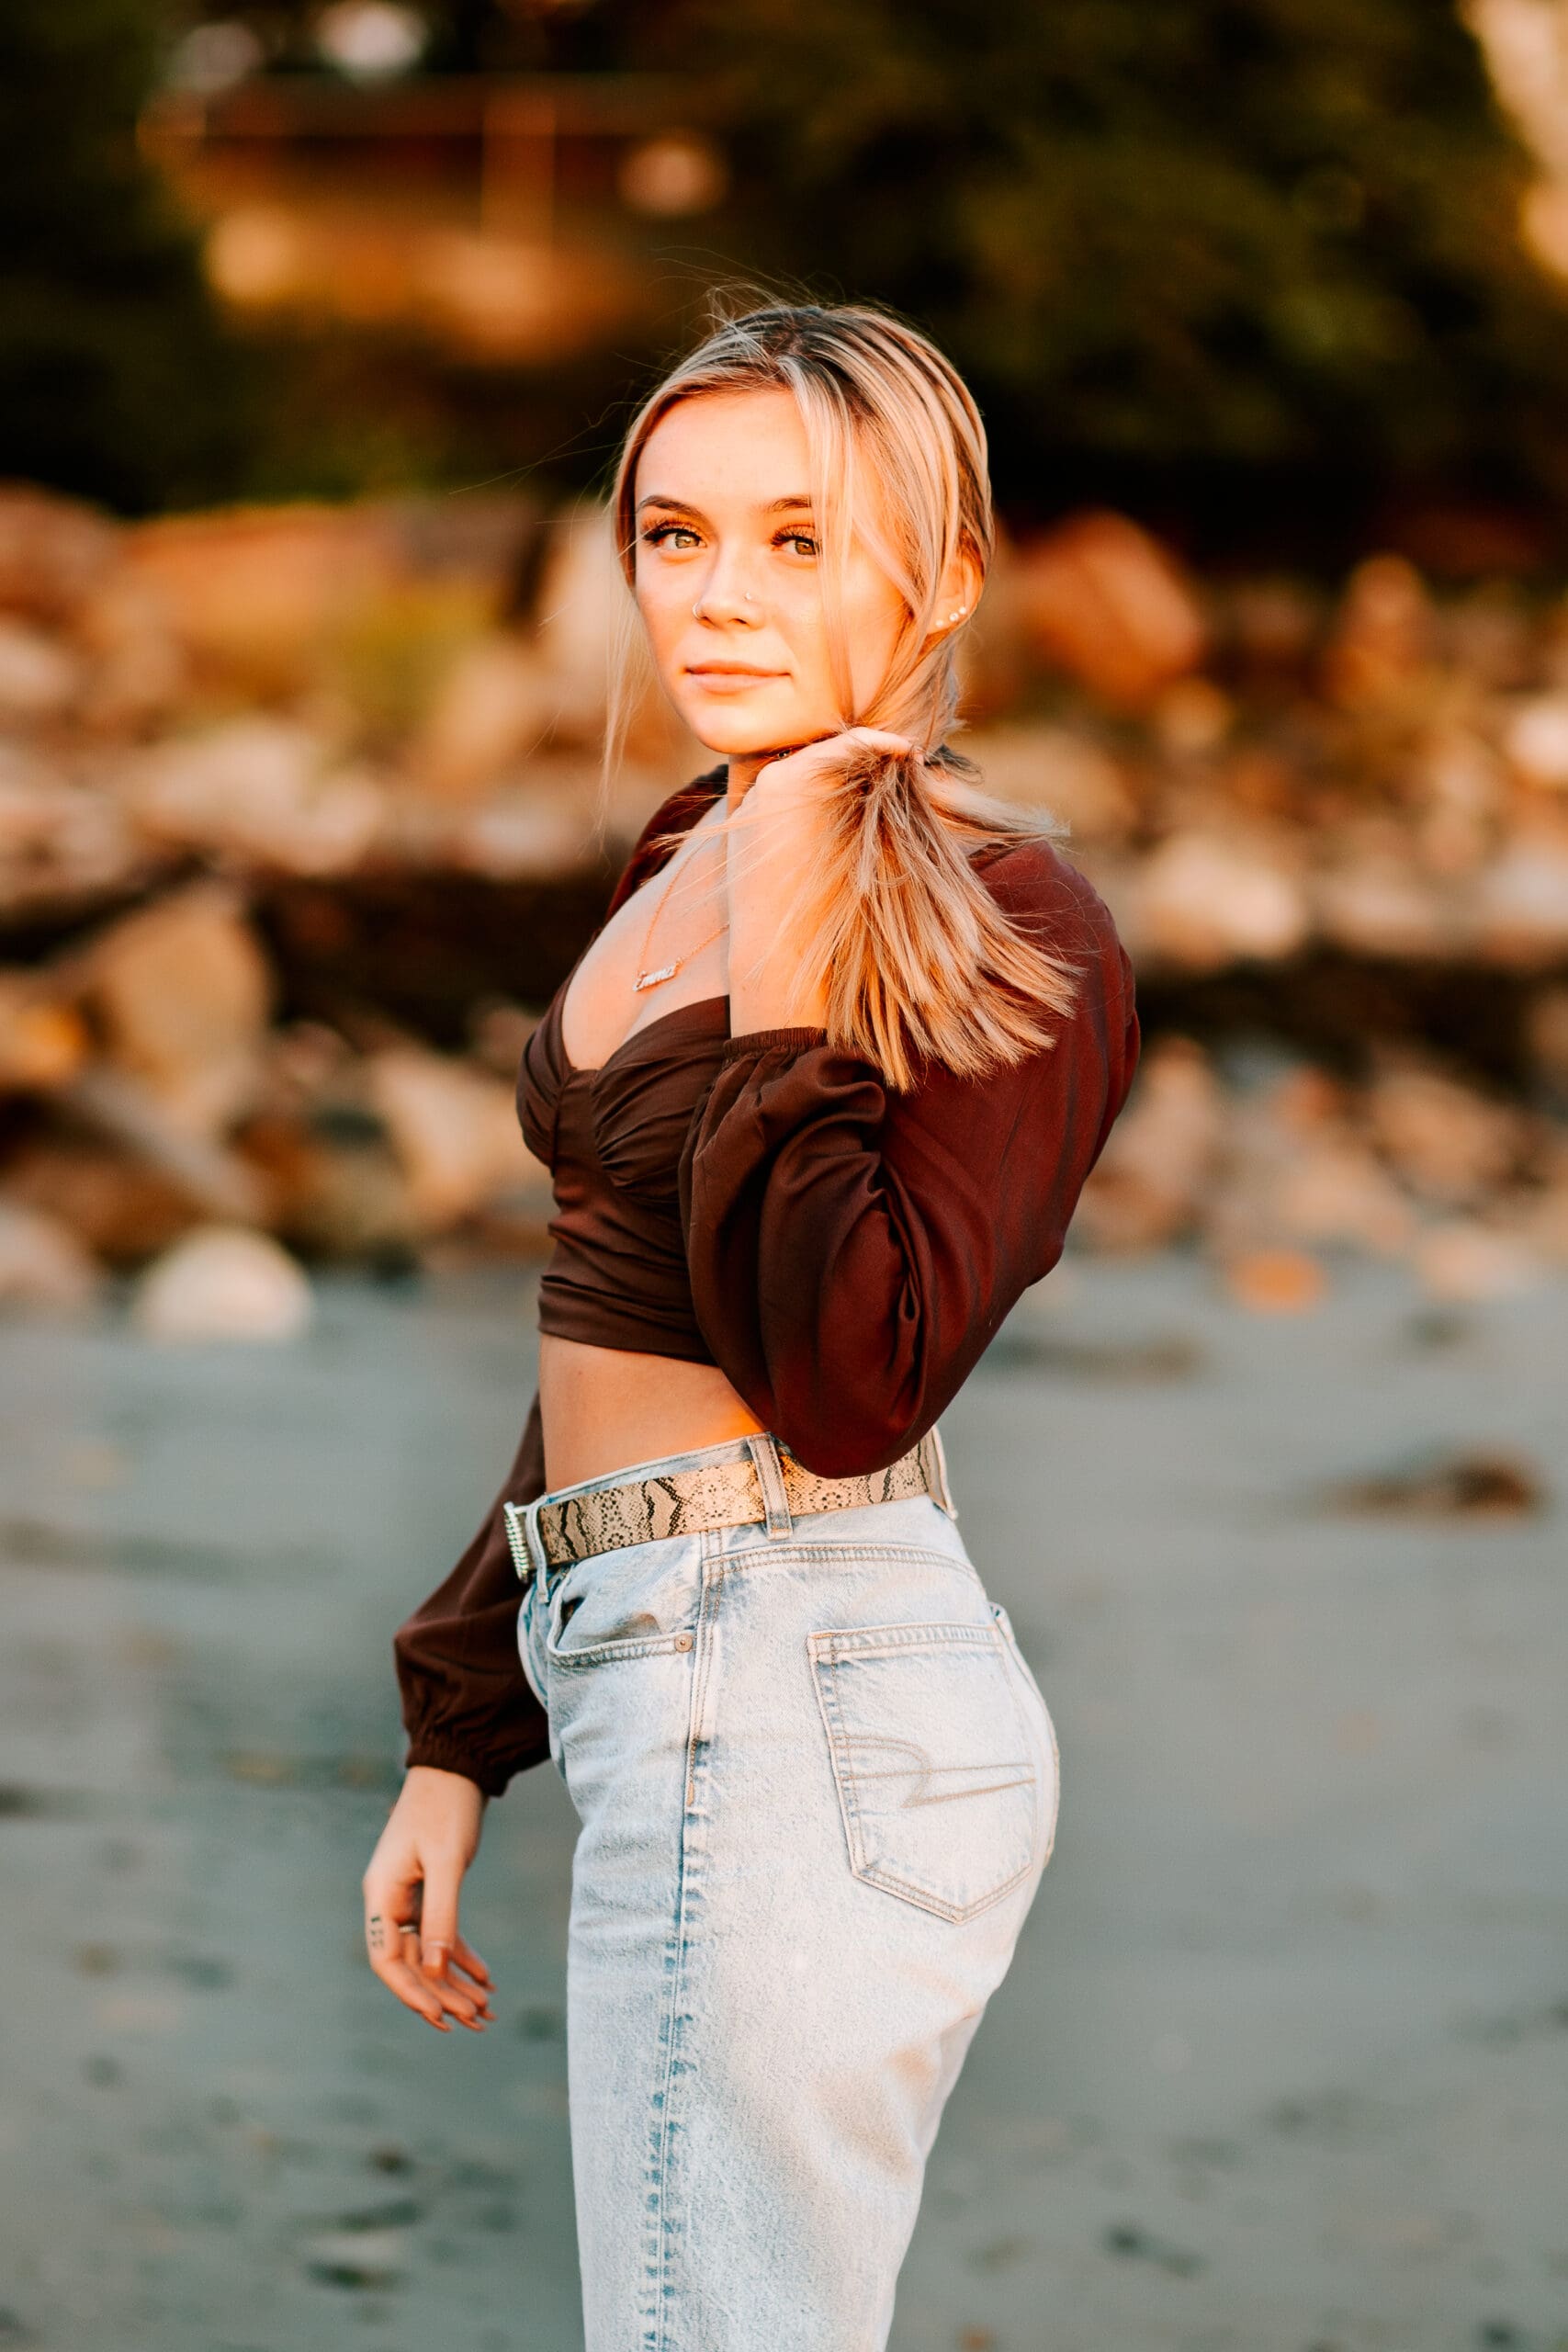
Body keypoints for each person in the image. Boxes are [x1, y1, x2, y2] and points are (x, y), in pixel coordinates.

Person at [363, 299, 1141, 2351]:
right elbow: (611, 1299)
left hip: (799, 1679)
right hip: (658, 1651)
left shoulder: (1017, 923)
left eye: (801, 540)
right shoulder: (677, 850)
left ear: (943, 574)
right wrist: (461, 1727)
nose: (717, 596)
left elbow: (849, 1383)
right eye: (674, 533)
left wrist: (795, 959)